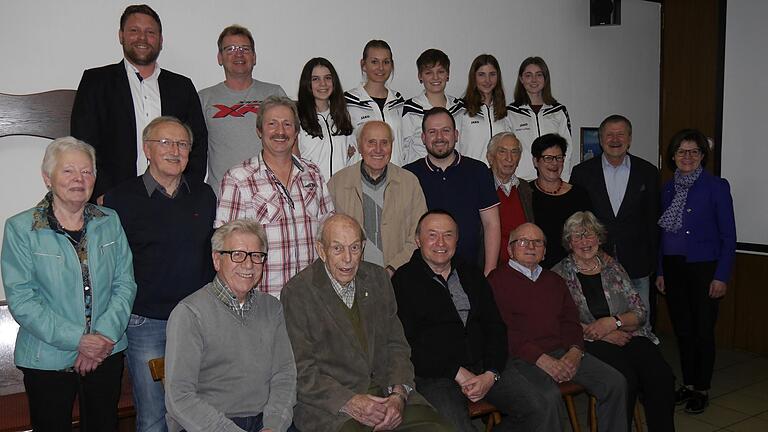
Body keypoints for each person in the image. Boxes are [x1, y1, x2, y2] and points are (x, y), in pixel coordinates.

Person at [1, 137, 137, 431]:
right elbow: (23, 299)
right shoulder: (21, 228)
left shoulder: (110, 220)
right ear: (47, 178)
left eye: (87, 171)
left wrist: (102, 337)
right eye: (68, 171)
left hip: (106, 351)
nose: (79, 179)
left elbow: (125, 283)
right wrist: (79, 340)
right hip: (46, 358)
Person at [281, 214, 451, 431]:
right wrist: (351, 402)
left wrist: (399, 394)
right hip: (334, 409)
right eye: (337, 249)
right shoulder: (298, 292)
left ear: (362, 247)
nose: (348, 259)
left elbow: (397, 345)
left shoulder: (378, 278)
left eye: (354, 248)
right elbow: (301, 371)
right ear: (321, 250)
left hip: (389, 396)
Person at [103, 116, 217, 432]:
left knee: (200, 411)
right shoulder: (119, 199)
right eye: (165, 142)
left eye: (182, 144)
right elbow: (112, 265)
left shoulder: (204, 196)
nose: (175, 150)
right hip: (146, 324)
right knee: (154, 416)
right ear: (147, 149)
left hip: (198, 322)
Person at [392, 210, 546, 431]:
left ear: (457, 239)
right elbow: (408, 343)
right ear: (418, 240)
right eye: (432, 235)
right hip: (437, 374)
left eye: (448, 235)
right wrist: (457, 372)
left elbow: (495, 326)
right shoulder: (403, 280)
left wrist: (491, 373)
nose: (441, 243)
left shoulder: (471, 274)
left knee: (538, 408)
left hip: (484, 366)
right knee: (454, 427)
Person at [488, 223, 627, 432]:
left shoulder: (554, 280)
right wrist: (541, 359)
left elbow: (570, 321)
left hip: (562, 351)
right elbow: (502, 331)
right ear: (509, 250)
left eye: (538, 242)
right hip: (521, 358)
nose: (531, 246)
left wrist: (575, 351)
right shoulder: (495, 281)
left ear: (544, 252)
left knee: (615, 382)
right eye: (523, 241)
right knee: (547, 398)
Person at [165, 219, 297, 432]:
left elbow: (285, 375)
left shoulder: (272, 308)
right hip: (207, 424)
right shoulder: (189, 313)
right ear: (217, 260)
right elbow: (180, 398)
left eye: (256, 256)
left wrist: (274, 426)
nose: (248, 265)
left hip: (265, 422)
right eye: (237, 255)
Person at [71, 4, 207, 203]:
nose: (142, 38)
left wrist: (185, 192)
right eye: (134, 31)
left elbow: (198, 144)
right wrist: (102, 195)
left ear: (160, 40)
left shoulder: (182, 87)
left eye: (150, 32)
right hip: (111, 200)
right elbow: (83, 143)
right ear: (121, 35)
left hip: (171, 200)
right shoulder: (96, 82)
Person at [552, 211, 675, 431]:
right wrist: (602, 332)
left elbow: (639, 312)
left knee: (661, 377)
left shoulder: (614, 268)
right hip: (588, 342)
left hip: (629, 334)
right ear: (569, 242)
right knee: (625, 379)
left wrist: (613, 323)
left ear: (599, 239)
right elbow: (558, 321)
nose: (585, 242)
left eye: (589, 235)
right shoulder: (558, 275)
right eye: (577, 237)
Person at [216, 95, 334, 298]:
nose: (280, 131)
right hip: (265, 301)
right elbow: (225, 248)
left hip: (313, 298)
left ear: (296, 132)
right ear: (259, 131)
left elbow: (329, 230)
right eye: (272, 124)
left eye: (287, 124)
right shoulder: (238, 178)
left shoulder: (313, 173)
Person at [655, 129, 736, 414]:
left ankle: (702, 388)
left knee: (703, 331)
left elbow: (729, 236)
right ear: (673, 156)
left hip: (705, 268)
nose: (687, 157)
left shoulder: (716, 187)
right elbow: (663, 236)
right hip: (674, 268)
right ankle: (688, 384)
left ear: (702, 156)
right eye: (681, 151)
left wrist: (721, 275)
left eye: (693, 152)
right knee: (684, 331)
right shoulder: (667, 189)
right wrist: (661, 270)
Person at [570, 115, 659, 314]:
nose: (615, 140)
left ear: (630, 139)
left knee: (641, 318)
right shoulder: (582, 173)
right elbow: (578, 221)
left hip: (638, 263)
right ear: (601, 140)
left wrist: (654, 262)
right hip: (595, 260)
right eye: (609, 135)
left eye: (621, 134)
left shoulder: (648, 172)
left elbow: (653, 219)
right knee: (602, 317)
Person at [405, 107, 501, 276]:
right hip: (421, 274)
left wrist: (490, 272)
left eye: (446, 131)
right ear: (423, 137)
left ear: (456, 135)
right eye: (432, 132)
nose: (439, 137)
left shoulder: (479, 171)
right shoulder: (408, 175)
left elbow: (491, 224)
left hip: (471, 271)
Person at [327, 121, 426, 275]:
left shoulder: (409, 183)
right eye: (371, 142)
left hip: (400, 276)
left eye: (384, 143)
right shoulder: (337, 183)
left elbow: (419, 234)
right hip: (350, 276)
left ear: (392, 146)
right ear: (359, 146)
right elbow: (327, 236)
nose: (378, 149)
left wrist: (393, 268)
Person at [199, 24, 287, 197]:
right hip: (224, 198)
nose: (238, 54)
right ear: (220, 57)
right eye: (230, 49)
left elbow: (291, 145)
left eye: (245, 49)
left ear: (254, 57)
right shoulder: (204, 98)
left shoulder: (274, 93)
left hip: (271, 196)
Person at [529, 133, 592, 268]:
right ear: (535, 161)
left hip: (575, 268)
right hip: (536, 268)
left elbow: (590, 233)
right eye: (548, 158)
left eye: (559, 158)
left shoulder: (579, 194)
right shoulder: (526, 193)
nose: (554, 163)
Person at [507, 57, 573, 181]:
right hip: (522, 182)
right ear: (521, 79)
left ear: (545, 78)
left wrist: (564, 180)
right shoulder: (510, 112)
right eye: (528, 75)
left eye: (539, 75)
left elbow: (567, 150)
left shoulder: (558, 111)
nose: (534, 80)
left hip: (553, 181)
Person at [345, 40, 406, 166]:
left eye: (386, 62)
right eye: (374, 62)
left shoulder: (399, 101)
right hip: (361, 179)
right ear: (363, 64)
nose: (381, 67)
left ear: (392, 65)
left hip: (396, 178)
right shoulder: (347, 102)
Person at [401, 49, 464, 164]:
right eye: (428, 73)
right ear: (420, 76)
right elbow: (402, 150)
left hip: (455, 174)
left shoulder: (460, 108)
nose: (435, 77)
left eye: (440, 72)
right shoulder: (409, 109)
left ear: (447, 74)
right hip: (419, 177)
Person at [297, 57, 355, 182]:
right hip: (312, 194)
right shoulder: (297, 117)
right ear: (307, 83)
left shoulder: (344, 115)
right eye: (315, 79)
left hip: (341, 192)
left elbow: (352, 153)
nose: (322, 84)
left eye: (327, 78)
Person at [486, 131, 534, 265]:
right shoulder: (481, 187)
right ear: (490, 157)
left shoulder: (526, 189)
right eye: (502, 151)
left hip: (523, 267)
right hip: (490, 268)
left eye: (514, 152)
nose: (509, 158)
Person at [457, 54, 511, 164]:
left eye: (492, 74)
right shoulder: (461, 110)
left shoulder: (505, 112)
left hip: (499, 176)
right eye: (481, 75)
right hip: (471, 176)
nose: (487, 80)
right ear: (474, 77)